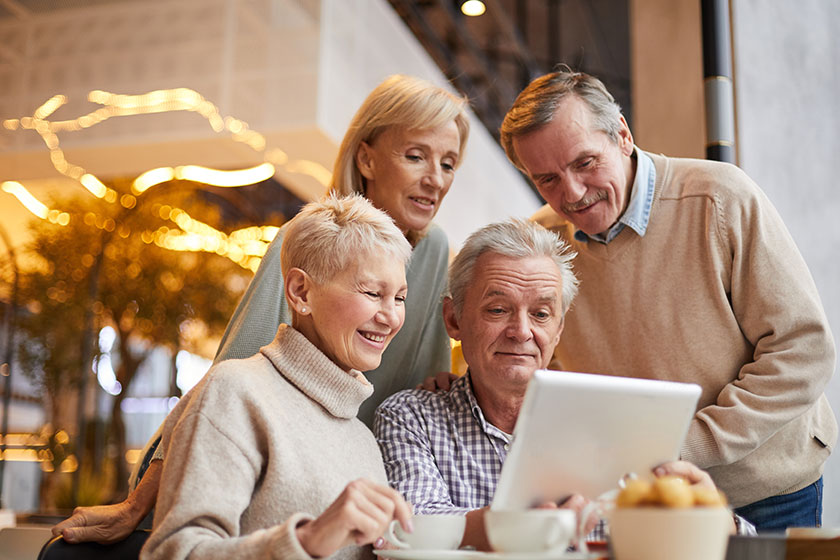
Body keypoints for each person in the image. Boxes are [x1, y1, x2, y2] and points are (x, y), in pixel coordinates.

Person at [53, 74, 470, 544]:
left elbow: (425, 383)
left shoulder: (434, 249)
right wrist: (137, 505)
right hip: (271, 492)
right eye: (415, 156)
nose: (435, 179)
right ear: (367, 158)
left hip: (359, 482)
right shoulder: (310, 242)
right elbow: (225, 386)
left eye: (449, 163)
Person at [498, 69, 837, 532]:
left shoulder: (721, 199)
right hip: (638, 497)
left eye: (584, 164)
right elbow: (542, 369)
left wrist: (685, 446)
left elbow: (803, 350)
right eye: (548, 179)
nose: (572, 194)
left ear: (622, 135)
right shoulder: (541, 242)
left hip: (765, 488)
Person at [374, 219, 749, 551]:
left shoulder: (619, 425)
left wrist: (713, 519)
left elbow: (721, 541)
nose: (521, 332)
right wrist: (531, 528)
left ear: (558, 330)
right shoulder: (411, 417)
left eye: (540, 314)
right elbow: (417, 527)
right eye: (498, 309)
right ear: (453, 319)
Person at [140, 194, 413, 559]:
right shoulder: (235, 392)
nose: (392, 317)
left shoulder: (362, 438)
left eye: (399, 298)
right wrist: (309, 539)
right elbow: (171, 554)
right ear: (301, 292)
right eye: (373, 292)